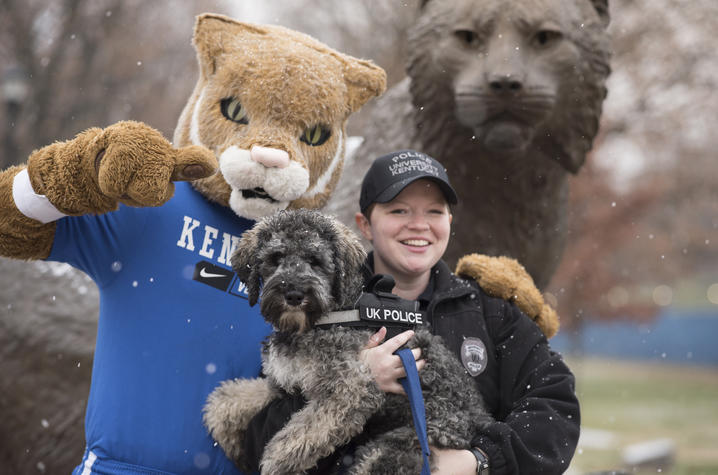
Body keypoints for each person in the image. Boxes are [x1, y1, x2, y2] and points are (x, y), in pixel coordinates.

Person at [244, 150, 580, 474]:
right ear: (365, 225)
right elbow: (259, 442)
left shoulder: (492, 310)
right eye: (399, 211)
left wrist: (480, 460)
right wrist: (352, 381)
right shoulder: (313, 306)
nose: (419, 225)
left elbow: (555, 409)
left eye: (434, 212)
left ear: (450, 221)